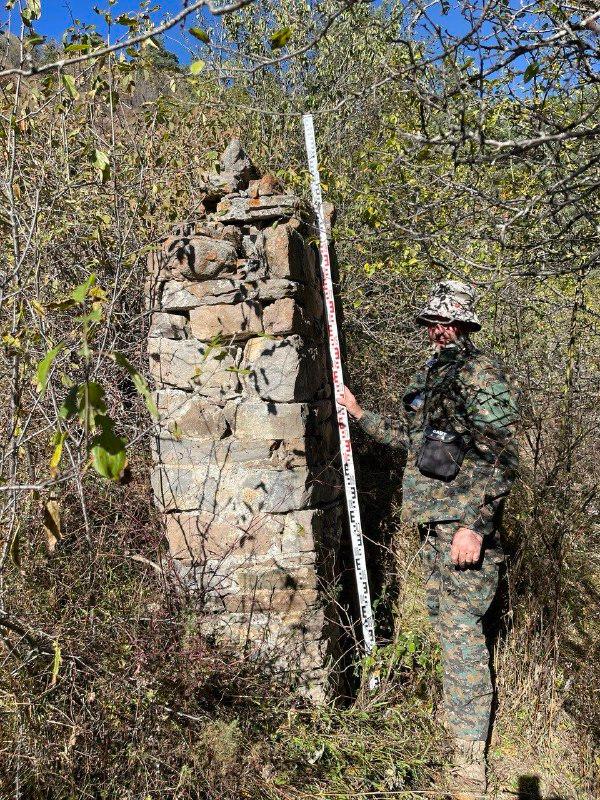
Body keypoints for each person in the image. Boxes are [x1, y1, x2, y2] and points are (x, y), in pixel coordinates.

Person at [339, 280, 519, 799]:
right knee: (445, 624)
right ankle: (455, 733)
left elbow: (504, 454)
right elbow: (416, 442)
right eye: (431, 323)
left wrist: (476, 525)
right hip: (433, 529)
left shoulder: (480, 372)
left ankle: (469, 766)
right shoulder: (436, 373)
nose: (434, 331)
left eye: (441, 323)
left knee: (462, 636)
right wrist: (360, 414)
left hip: (462, 530)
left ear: (460, 325)